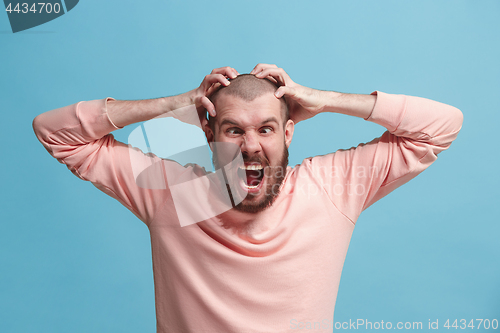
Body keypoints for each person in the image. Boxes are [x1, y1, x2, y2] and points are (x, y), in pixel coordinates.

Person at [32, 64, 463, 332]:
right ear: (209, 134)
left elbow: (443, 125)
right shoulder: (172, 195)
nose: (251, 146)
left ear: (289, 132)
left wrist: (325, 99)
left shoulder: (328, 189)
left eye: (267, 128)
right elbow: (55, 133)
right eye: (234, 129)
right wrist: (174, 104)